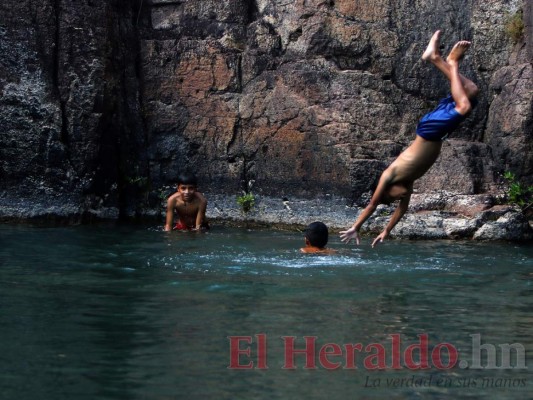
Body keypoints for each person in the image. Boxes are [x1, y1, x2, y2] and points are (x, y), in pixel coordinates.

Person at [340, 30, 479, 248]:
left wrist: (356, 226)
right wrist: (387, 230)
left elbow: (372, 205)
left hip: (429, 131)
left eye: (395, 197)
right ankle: (436, 59)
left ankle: (450, 62)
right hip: (436, 132)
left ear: (387, 191)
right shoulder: (407, 182)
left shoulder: (390, 175)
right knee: (470, 90)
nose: (401, 197)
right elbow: (402, 209)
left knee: (464, 106)